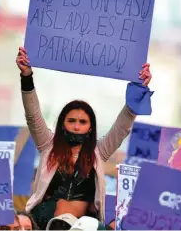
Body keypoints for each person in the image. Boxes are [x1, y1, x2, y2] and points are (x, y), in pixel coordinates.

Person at [16, 47, 152, 229]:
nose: (77, 126)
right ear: (62, 123)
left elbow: (122, 127)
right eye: (71, 120)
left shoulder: (99, 152)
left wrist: (139, 90)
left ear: (91, 127)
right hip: (43, 224)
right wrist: (26, 77)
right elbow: (33, 115)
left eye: (82, 121)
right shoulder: (47, 145)